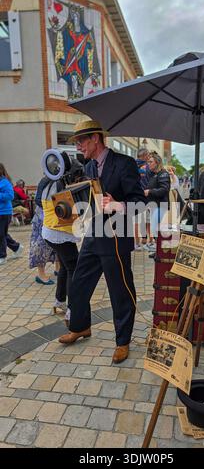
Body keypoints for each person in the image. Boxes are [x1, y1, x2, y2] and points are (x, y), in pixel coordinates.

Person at [59, 120, 146, 364]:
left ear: (95, 139)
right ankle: (80, 326)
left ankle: (123, 342)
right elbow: (89, 203)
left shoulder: (124, 163)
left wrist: (118, 204)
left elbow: (140, 201)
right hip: (93, 235)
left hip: (117, 237)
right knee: (78, 284)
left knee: (119, 291)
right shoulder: (87, 168)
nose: (78, 146)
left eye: (81, 141)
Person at [41, 158, 82, 316]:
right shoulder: (60, 185)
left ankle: (59, 300)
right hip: (59, 232)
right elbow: (68, 213)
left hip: (50, 231)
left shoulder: (49, 181)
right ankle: (72, 309)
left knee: (65, 266)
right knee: (73, 268)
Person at [29, 175, 55, 285]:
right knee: (41, 246)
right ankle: (41, 275)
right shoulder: (46, 180)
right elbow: (38, 199)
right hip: (43, 218)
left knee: (57, 244)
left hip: (54, 217)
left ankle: (58, 269)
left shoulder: (62, 178)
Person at [0, 163, 23, 265]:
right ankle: (17, 247)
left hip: (4, 212)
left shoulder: (5, 182)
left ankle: (2, 256)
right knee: (2, 234)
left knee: (1, 235)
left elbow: (10, 196)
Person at [145, 152, 170, 242]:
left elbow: (164, 190)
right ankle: (157, 252)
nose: (148, 164)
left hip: (160, 206)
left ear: (157, 163)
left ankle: (159, 253)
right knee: (155, 229)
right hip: (154, 206)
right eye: (148, 162)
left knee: (156, 229)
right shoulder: (153, 174)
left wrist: (149, 191)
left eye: (151, 162)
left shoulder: (163, 174)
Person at [134, 147, 154, 251]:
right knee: (148, 220)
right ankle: (149, 241)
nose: (149, 157)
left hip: (134, 196)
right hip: (146, 196)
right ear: (145, 155)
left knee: (136, 221)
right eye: (148, 155)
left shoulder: (131, 165)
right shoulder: (148, 166)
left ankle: (137, 244)